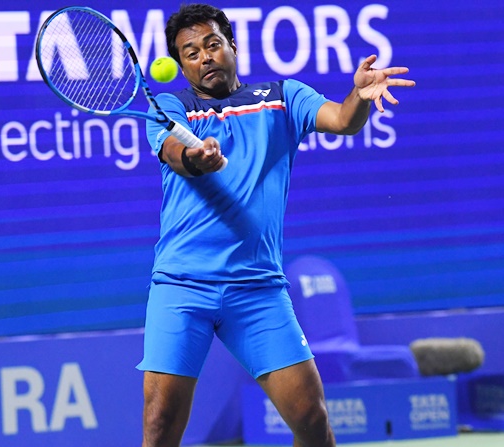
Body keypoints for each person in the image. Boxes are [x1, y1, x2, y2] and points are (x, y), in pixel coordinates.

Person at [137, 4, 415, 447]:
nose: (204, 57)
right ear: (183, 66)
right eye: (190, 53)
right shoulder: (171, 106)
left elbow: (341, 121)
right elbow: (174, 151)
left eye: (212, 44)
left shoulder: (282, 98)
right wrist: (195, 157)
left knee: (311, 418)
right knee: (160, 424)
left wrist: (359, 97)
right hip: (182, 286)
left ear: (232, 46)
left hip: (257, 289)